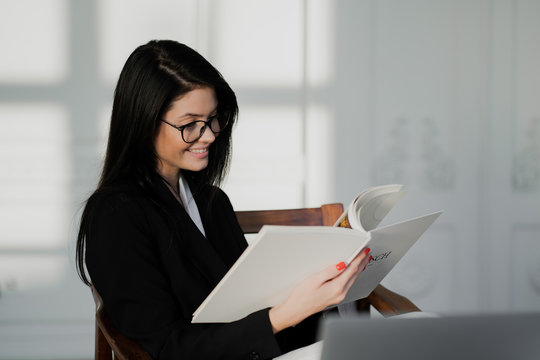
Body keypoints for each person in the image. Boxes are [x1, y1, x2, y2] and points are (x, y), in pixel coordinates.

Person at [75, 40, 372, 360]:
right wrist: (286, 314)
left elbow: (250, 301)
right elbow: (167, 349)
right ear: (143, 122)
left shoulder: (211, 201)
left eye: (215, 118)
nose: (210, 135)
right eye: (190, 125)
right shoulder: (115, 215)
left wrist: (321, 290)